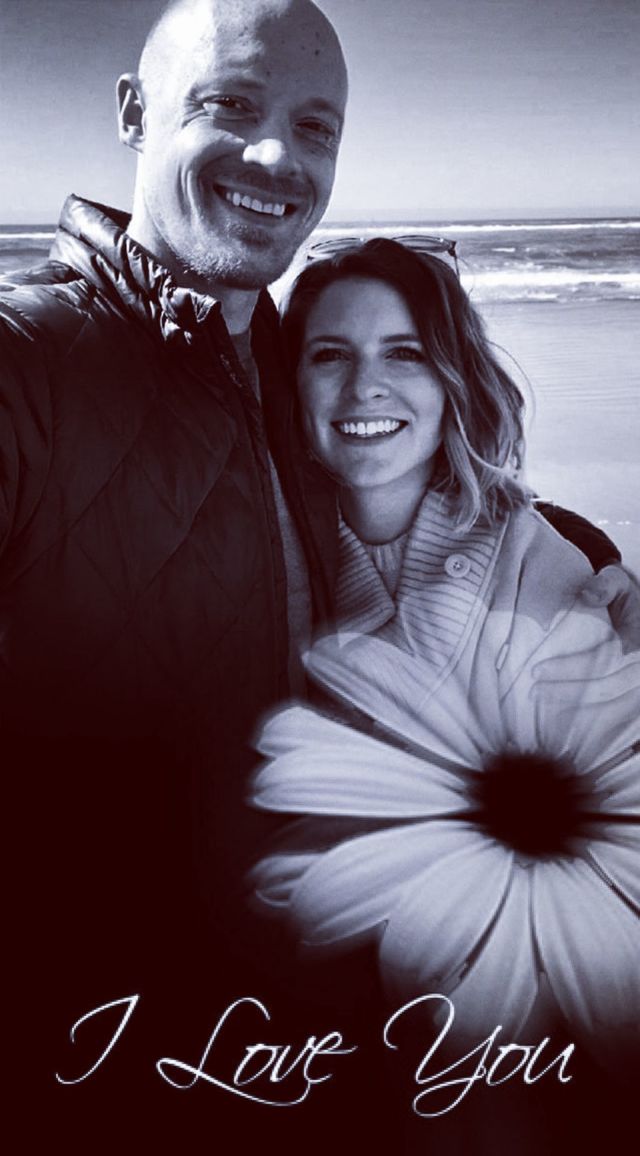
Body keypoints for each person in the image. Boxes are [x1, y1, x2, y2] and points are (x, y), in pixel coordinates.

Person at [0, 0, 635, 1143]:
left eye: (313, 125)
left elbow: (425, 488)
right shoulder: (31, 363)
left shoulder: (268, 364)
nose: (274, 156)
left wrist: (584, 554)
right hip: (103, 1045)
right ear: (133, 112)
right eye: (229, 104)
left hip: (332, 1037)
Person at [251, 236, 640, 1154]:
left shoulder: (551, 565)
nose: (365, 388)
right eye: (330, 355)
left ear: (452, 379)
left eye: (406, 353)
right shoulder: (257, 559)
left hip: (523, 987)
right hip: (304, 998)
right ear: (291, 384)